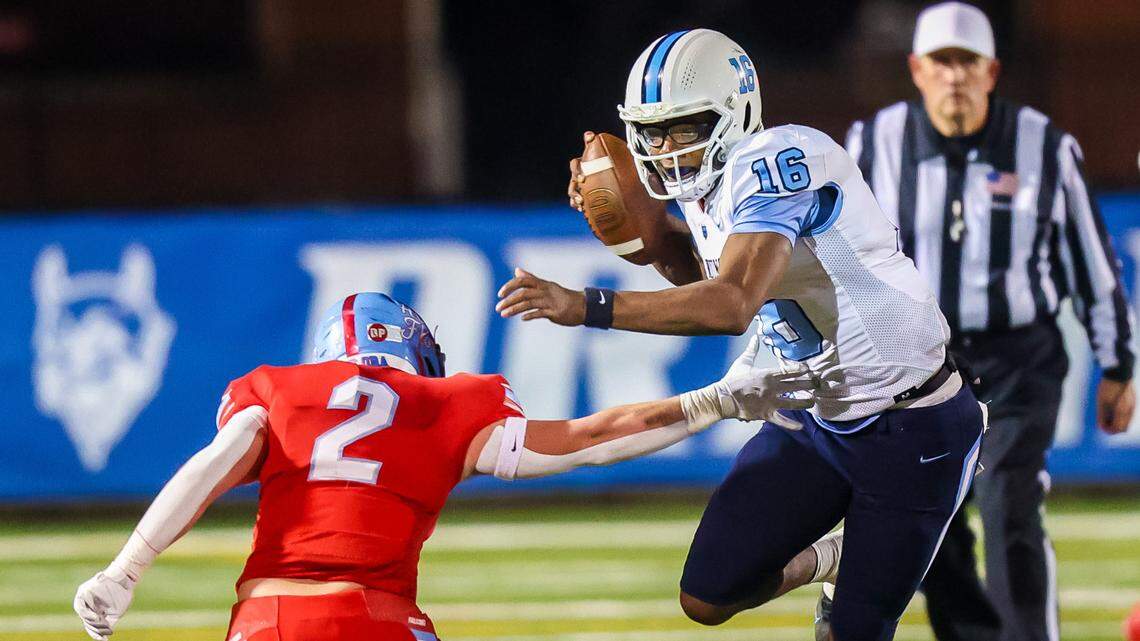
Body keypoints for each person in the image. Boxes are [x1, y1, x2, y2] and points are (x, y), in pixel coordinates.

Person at [498, 28, 987, 641]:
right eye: (651, 133)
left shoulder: (780, 159)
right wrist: (640, 232)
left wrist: (585, 305)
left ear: (736, 112)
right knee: (707, 595)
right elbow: (698, 274)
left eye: (684, 129)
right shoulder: (709, 186)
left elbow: (730, 303)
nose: (666, 150)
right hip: (817, 414)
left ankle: (863, 567)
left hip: (912, 423)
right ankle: (834, 559)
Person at [72, 292, 816, 641]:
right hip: (373, 616)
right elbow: (591, 438)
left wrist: (125, 570)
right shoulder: (446, 402)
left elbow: (210, 466)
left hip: (264, 619)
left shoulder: (275, 388)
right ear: (417, 353)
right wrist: (714, 401)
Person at [843, 4, 1136, 641]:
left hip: (1017, 360)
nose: (955, 76)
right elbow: (838, 256)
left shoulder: (1044, 147)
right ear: (917, 69)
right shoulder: (871, 144)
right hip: (919, 364)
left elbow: (1092, 263)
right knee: (931, 521)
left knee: (1009, 505)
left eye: (967, 62)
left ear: (992, 72)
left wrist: (1118, 364)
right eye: (942, 61)